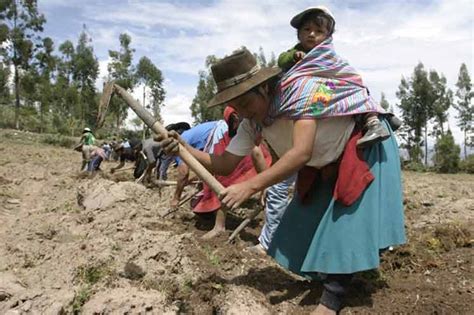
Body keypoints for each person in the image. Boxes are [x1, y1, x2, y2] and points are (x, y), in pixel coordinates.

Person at [158, 47, 405, 314]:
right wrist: (183, 148)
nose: (243, 112)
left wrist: (251, 185)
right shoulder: (251, 122)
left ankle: (332, 299)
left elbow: (301, 152)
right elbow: (224, 165)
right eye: (236, 106)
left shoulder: (298, 93)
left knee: (344, 220)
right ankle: (335, 271)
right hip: (325, 161)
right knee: (306, 219)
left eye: (246, 103)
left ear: (263, 88)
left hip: (362, 146)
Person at [277, 6, 390, 148]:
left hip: (328, 88)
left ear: (327, 37)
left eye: (319, 31)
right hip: (307, 94)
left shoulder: (329, 55)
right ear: (299, 34)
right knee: (308, 104)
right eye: (307, 29)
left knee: (355, 90)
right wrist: (293, 56)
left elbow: (342, 72)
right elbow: (281, 60)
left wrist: (350, 82)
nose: (312, 34)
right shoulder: (296, 51)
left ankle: (373, 122)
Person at [190, 107, 271, 239]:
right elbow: (221, 163)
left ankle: (268, 236)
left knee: (272, 196)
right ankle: (220, 226)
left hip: (259, 160)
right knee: (225, 185)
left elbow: (256, 153)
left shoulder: (250, 126)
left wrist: (265, 185)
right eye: (233, 121)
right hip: (235, 157)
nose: (235, 123)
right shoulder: (228, 134)